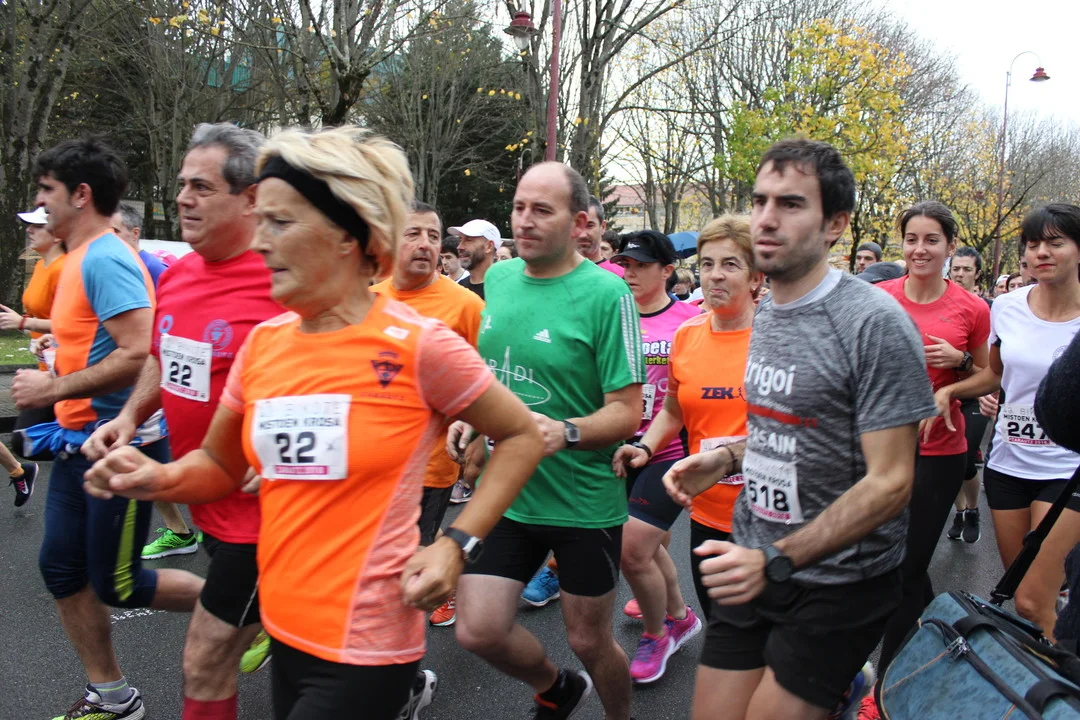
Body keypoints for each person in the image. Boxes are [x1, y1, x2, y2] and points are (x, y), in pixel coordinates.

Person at [84, 126, 544, 719]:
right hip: (286, 623)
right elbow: (219, 465)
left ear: (348, 235)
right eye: (261, 222)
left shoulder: (418, 344)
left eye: (280, 223)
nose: (260, 242)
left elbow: (521, 435)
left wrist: (456, 544)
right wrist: (154, 477)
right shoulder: (266, 343)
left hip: (368, 637)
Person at [664, 138, 935, 720]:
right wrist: (727, 458)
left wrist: (779, 559)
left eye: (790, 204)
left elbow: (891, 482)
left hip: (840, 581)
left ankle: (836, 689)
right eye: (760, 200)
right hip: (753, 555)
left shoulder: (874, 324)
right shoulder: (768, 311)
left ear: (835, 224)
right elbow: (789, 426)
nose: (765, 218)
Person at [81, 123, 281, 720]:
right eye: (181, 185)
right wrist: (131, 415)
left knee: (205, 659)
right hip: (206, 501)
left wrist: (281, 453)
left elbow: (339, 373)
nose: (183, 199)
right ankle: (396, 685)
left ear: (251, 198)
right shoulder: (181, 272)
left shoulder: (285, 279)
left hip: (264, 517)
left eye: (201, 187)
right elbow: (163, 355)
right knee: (305, 646)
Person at [11, 138, 204, 720]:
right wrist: (55, 365)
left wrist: (52, 389)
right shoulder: (75, 259)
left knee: (120, 582)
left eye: (46, 191)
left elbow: (140, 351)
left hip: (117, 445)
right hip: (79, 445)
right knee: (62, 570)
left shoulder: (104, 258)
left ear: (80, 194)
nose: (40, 203)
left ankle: (256, 604)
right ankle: (114, 697)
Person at [452, 161, 644, 720]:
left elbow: (627, 412)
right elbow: (495, 372)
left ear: (580, 222)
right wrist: (473, 418)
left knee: (589, 640)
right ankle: (557, 688)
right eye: (519, 207)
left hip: (582, 501)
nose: (525, 221)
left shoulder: (607, 294)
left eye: (542, 210)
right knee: (478, 628)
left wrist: (567, 432)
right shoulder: (500, 279)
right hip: (509, 492)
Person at [614, 220, 762, 686]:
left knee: (771, 645)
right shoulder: (688, 335)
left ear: (757, 277)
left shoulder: (780, 339)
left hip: (771, 519)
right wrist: (645, 446)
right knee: (727, 635)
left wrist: (734, 455)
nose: (715, 275)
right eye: (708, 264)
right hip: (709, 514)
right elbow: (674, 411)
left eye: (730, 264)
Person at [930, 203, 1080, 642]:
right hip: (1009, 465)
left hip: (1067, 471)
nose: (1041, 253)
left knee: (1033, 599)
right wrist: (952, 392)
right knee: (1025, 598)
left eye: (1055, 243)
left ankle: (1059, 679)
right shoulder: (1008, 308)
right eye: (1032, 245)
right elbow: (993, 374)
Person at [870, 202, 990, 713]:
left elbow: (989, 376)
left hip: (939, 451)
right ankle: (941, 632)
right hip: (879, 448)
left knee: (905, 568)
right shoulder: (878, 297)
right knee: (895, 564)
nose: (920, 249)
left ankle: (884, 689)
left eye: (931, 240)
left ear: (949, 246)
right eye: (912, 239)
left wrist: (955, 374)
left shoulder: (972, 308)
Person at [371, 200, 485, 630]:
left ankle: (403, 662)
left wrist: (476, 437)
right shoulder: (368, 300)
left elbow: (489, 377)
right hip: (370, 465)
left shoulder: (466, 306)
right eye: (413, 233)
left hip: (430, 464)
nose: (425, 244)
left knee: (405, 571)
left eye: (433, 236)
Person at [605, 230, 702, 684]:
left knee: (632, 547)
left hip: (668, 448)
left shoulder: (689, 321)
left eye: (641, 266)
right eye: (626, 264)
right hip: (616, 446)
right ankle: (679, 615)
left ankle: (657, 633)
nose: (630, 273)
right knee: (642, 547)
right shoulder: (612, 315)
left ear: (667, 271)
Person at [108, 200, 202, 559]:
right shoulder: (118, 266)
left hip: (145, 382)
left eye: (115, 233)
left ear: (135, 234)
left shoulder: (153, 269)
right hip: (136, 384)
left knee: (147, 458)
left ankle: (185, 531)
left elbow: (168, 334)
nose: (107, 241)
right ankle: (183, 530)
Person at [0, 206, 63, 505]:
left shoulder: (66, 268)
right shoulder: (40, 266)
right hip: (45, 365)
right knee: (25, 439)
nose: (29, 230)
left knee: (25, 437)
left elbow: (77, 322)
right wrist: (26, 323)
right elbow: (41, 312)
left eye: (37, 226)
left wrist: (24, 322)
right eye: (29, 225)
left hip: (69, 369)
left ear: (57, 232)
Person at [946, 245, 994, 543]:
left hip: (975, 396)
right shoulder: (939, 304)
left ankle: (973, 510)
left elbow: (992, 366)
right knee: (949, 463)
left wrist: (962, 360)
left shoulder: (987, 308)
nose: (960, 274)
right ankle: (960, 511)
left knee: (964, 459)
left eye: (966, 269)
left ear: (977, 274)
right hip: (944, 394)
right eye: (956, 269)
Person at [112, 203, 167, 286]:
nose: (109, 235)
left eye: (115, 231)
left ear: (135, 233)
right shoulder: (112, 263)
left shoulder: (154, 268)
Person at [574, 196, 624, 277]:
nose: (582, 234)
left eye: (589, 226)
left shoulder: (621, 276)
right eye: (577, 225)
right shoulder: (554, 274)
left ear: (603, 227)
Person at [452, 218, 501, 299]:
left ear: (489, 246)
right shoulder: (459, 288)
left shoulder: (504, 288)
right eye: (460, 240)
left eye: (468, 240)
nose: (459, 247)